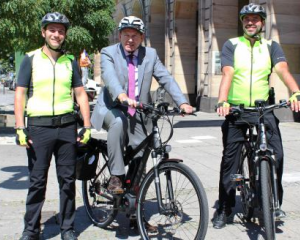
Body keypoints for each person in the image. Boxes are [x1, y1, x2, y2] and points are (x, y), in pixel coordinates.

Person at [213, 3, 300, 229]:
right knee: (230, 161)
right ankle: (224, 209)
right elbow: (228, 72)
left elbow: (283, 70)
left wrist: (296, 92)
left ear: (262, 23)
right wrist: (223, 100)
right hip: (236, 109)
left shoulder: (271, 46)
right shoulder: (232, 45)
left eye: (255, 19)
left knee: (278, 154)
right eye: (246, 19)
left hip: (263, 110)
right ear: (242, 22)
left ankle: (273, 203)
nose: (250, 22)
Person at [90, 16, 193, 195]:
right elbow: (109, 77)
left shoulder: (150, 54)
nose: (130, 39)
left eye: (135, 35)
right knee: (118, 122)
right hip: (111, 106)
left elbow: (165, 78)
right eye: (126, 35)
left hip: (137, 110)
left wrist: (182, 102)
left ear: (142, 37)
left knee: (140, 155)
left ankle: (134, 211)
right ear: (120, 35)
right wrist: (121, 95)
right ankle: (115, 176)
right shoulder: (108, 52)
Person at [14, 12, 91, 240]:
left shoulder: (70, 62)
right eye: (52, 30)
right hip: (39, 128)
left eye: (61, 31)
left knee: (67, 181)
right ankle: (31, 230)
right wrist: (20, 127)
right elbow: (20, 94)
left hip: (67, 127)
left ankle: (67, 228)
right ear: (43, 32)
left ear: (65, 34)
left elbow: (81, 94)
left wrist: (86, 126)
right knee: (37, 182)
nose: (56, 34)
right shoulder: (30, 59)